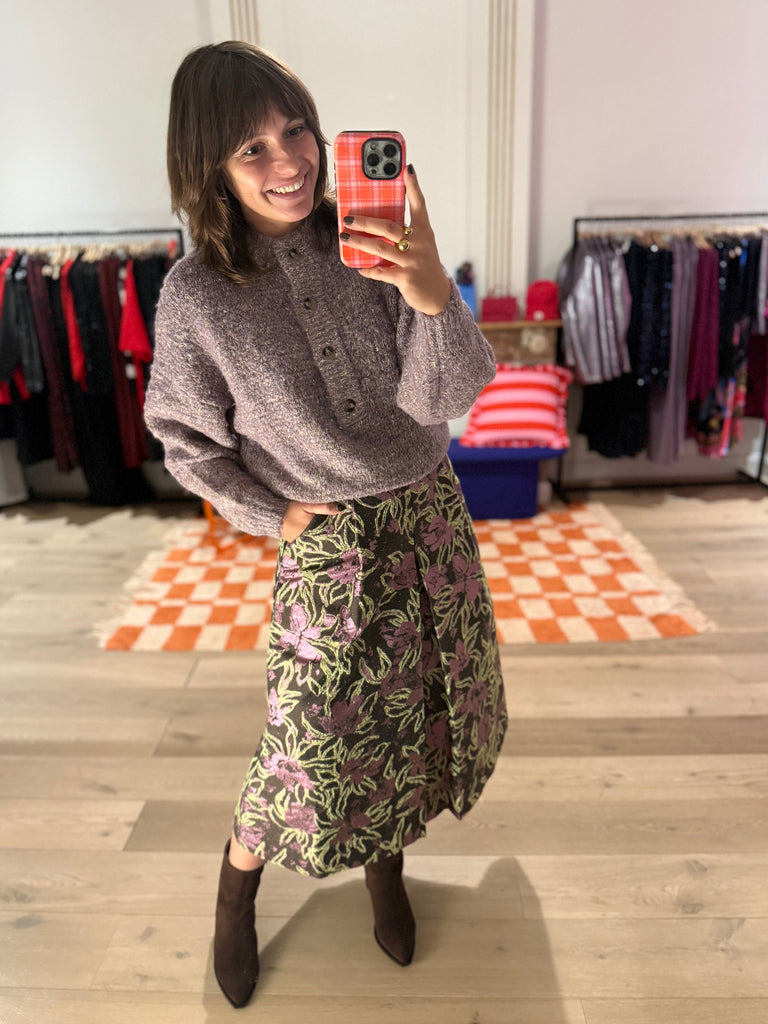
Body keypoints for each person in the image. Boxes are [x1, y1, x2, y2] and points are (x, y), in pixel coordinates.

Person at [144, 40, 508, 1009]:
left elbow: (446, 397)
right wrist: (272, 513)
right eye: (252, 148)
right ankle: (235, 894)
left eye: (295, 129)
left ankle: (386, 869)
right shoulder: (196, 296)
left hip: (431, 518)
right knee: (304, 743)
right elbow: (184, 440)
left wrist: (431, 293)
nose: (289, 161)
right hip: (328, 545)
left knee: (419, 712)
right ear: (209, 167)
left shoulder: (374, 241)